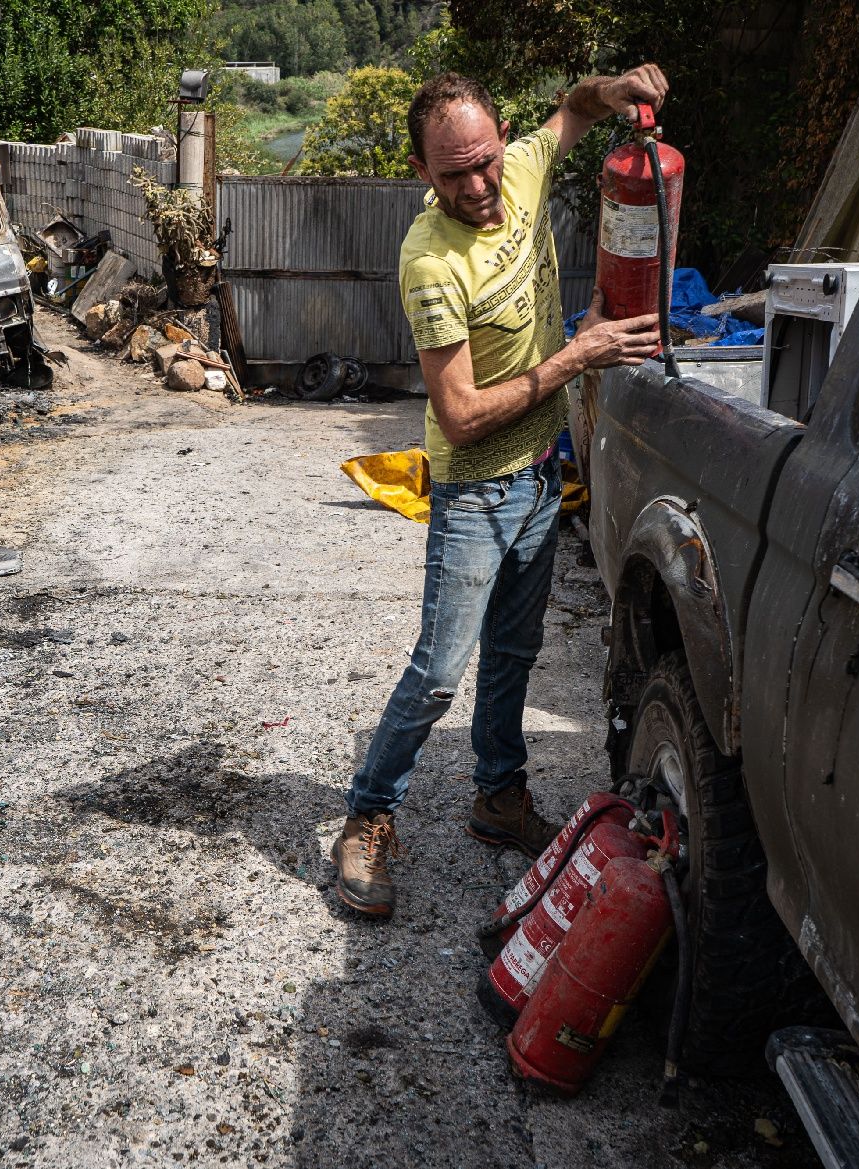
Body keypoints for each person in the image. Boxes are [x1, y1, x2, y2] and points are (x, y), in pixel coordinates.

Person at [331, 67, 669, 917]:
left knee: (515, 654)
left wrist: (618, 87)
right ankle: (368, 815)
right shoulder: (429, 261)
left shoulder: (521, 166)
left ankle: (498, 797)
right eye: (452, 174)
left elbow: (577, 109)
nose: (478, 187)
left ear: (501, 140)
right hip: (478, 487)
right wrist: (572, 357)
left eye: (484, 161)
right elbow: (461, 412)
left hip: (539, 474)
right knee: (441, 670)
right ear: (421, 173)